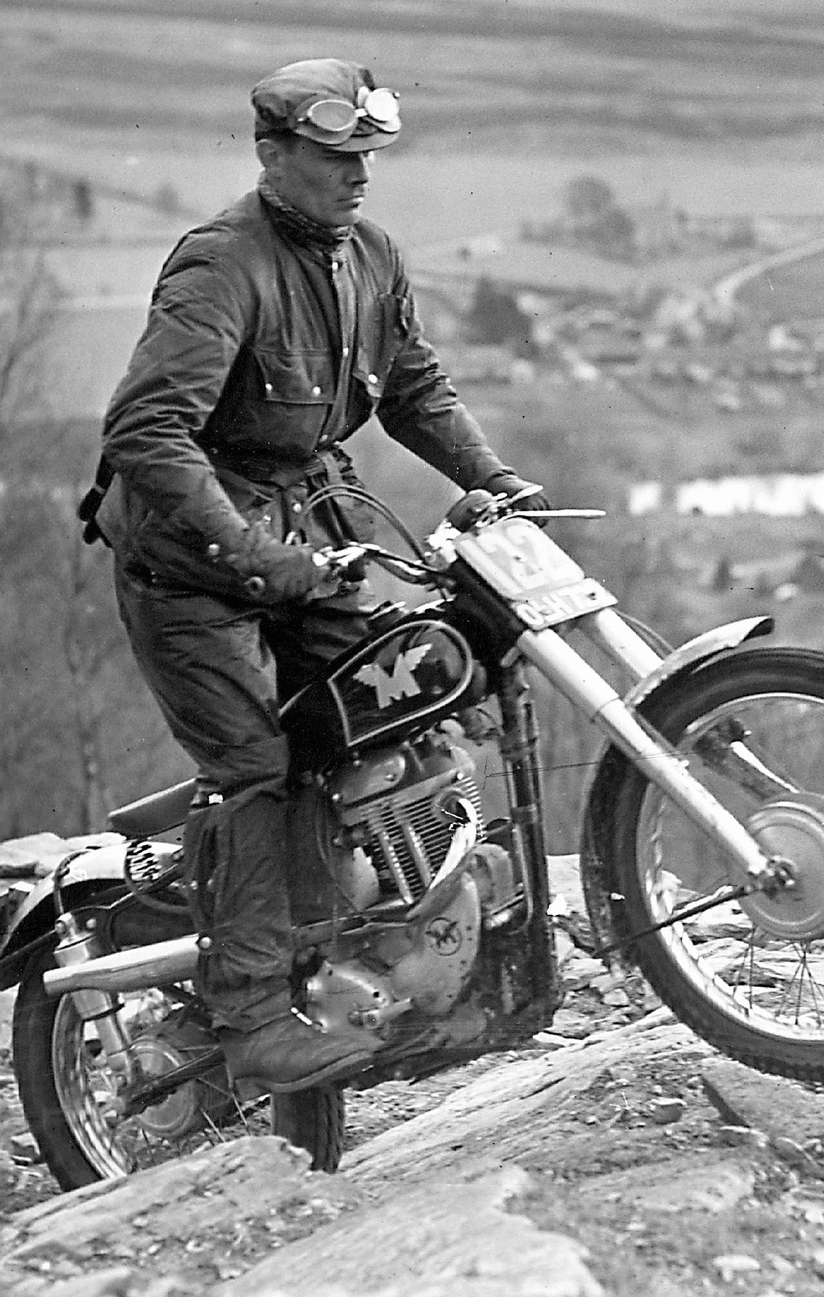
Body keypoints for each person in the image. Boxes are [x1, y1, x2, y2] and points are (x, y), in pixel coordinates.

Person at [84, 59, 545, 1093]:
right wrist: (249, 554)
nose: (358, 175)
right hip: (190, 564)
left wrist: (494, 478)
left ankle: (393, 945)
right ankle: (251, 1015)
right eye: (335, 156)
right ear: (271, 152)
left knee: (398, 700)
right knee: (257, 763)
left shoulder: (368, 256)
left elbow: (413, 387)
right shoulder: (222, 265)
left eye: (367, 156)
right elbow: (147, 432)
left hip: (305, 540)